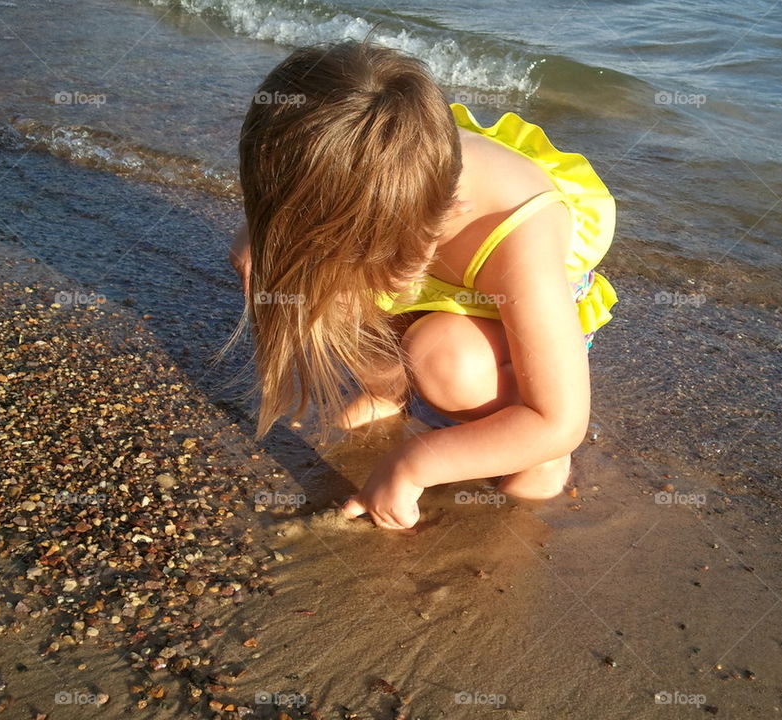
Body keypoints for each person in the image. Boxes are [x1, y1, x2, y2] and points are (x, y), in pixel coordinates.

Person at [230, 40, 617, 530]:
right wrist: (259, 238)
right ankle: (396, 388)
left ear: (450, 211)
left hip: (506, 319)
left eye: (385, 258)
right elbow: (297, 191)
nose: (373, 281)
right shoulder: (373, 168)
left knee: (444, 357)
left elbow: (560, 420)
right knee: (322, 284)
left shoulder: (519, 236)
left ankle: (536, 455)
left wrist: (415, 463)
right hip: (423, 252)